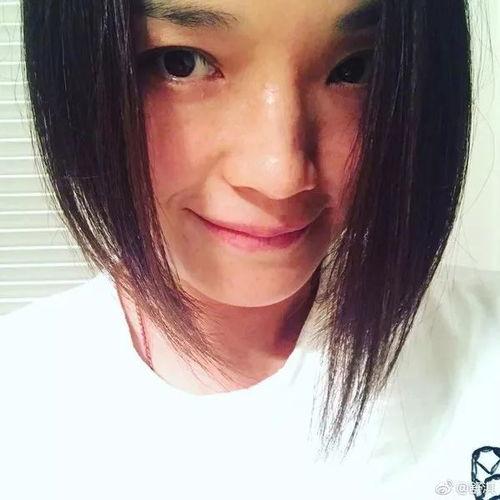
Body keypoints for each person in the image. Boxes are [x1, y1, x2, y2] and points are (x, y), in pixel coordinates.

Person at [0, 0, 498, 498]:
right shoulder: (21, 401)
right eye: (181, 63)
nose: (280, 175)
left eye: (355, 69)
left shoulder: (484, 348)